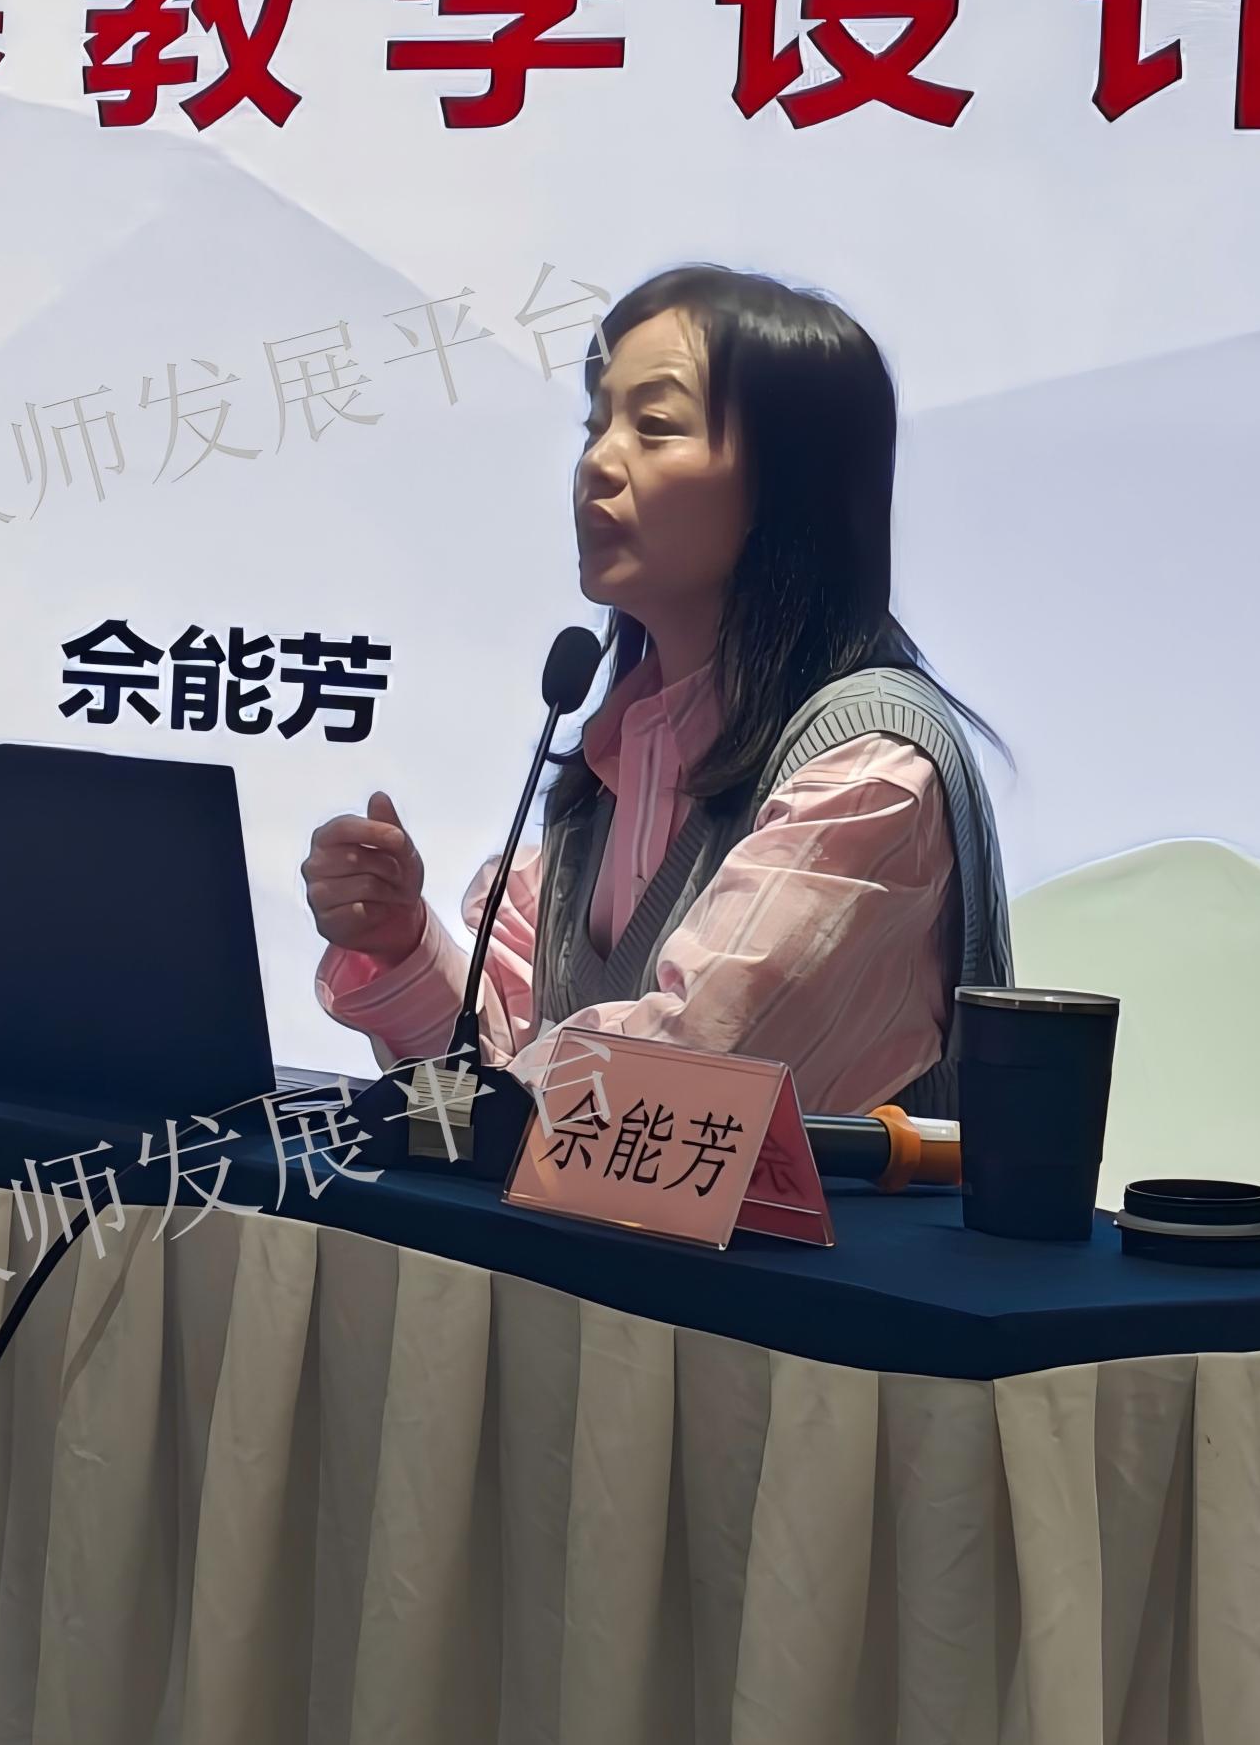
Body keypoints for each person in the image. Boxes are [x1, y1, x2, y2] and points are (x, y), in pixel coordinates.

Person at [302, 265, 1009, 1116]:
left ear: (790, 481)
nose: (598, 463)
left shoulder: (871, 777)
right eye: (596, 425)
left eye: (657, 427)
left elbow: (680, 1079)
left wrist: (484, 1099)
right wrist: (401, 944)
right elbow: (495, 1073)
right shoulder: (614, 765)